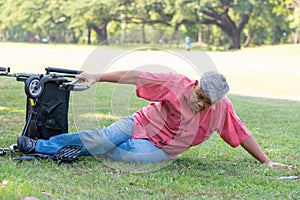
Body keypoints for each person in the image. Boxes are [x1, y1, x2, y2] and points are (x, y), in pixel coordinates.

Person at [17, 70, 291, 168]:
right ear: (195, 84)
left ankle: (64, 148)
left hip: (161, 149)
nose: (202, 103)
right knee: (105, 138)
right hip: (142, 122)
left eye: (209, 102)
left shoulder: (222, 108)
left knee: (120, 152)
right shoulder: (175, 83)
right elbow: (138, 76)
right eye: (200, 96)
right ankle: (38, 146)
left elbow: (242, 134)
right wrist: (97, 76)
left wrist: (266, 161)